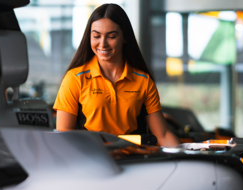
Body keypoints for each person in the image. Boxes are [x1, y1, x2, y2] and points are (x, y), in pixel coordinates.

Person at [53, 3, 180, 147]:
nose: (102, 44)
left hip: (134, 160)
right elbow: (64, 135)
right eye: (96, 36)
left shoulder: (143, 81)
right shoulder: (74, 79)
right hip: (94, 160)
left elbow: (163, 135)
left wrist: (187, 158)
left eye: (111, 36)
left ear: (125, 37)